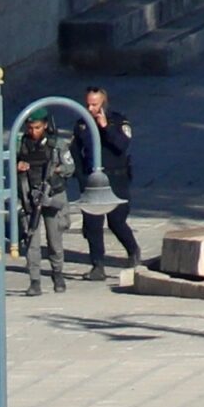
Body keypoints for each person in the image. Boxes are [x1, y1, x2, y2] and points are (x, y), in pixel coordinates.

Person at [72, 86, 139, 279]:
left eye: (94, 104)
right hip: (93, 180)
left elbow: (122, 145)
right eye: (88, 104)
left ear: (103, 103)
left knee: (116, 221)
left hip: (116, 177)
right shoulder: (82, 124)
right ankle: (97, 265)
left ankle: (133, 250)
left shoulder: (118, 121)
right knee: (92, 224)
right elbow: (76, 152)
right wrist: (81, 177)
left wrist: (105, 127)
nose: (90, 108)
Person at [15, 107, 74, 296]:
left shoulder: (57, 145)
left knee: (54, 238)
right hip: (30, 195)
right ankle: (34, 280)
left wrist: (58, 170)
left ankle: (58, 274)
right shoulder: (21, 144)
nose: (34, 131)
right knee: (31, 238)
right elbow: (8, 163)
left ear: (45, 125)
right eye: (31, 127)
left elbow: (70, 167)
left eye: (38, 127)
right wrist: (18, 166)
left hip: (53, 194)